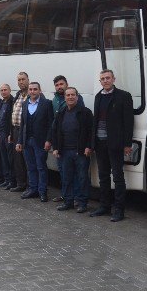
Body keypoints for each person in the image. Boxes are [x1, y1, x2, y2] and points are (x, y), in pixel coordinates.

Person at [90, 69, 133, 222]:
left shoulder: (124, 96)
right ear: (100, 81)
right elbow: (96, 122)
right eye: (102, 79)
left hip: (115, 144)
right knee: (103, 176)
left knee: (118, 177)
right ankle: (104, 206)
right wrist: (92, 143)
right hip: (100, 143)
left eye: (108, 78)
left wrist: (127, 144)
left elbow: (128, 122)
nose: (105, 81)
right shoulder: (98, 97)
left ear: (113, 79)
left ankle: (119, 210)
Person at [51, 87, 93, 213]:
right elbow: (56, 131)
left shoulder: (85, 112)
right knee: (66, 178)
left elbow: (91, 131)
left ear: (77, 96)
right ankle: (68, 202)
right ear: (64, 98)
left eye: (72, 95)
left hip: (80, 151)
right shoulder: (61, 113)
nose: (70, 97)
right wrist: (56, 148)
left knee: (82, 178)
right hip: (65, 152)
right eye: (68, 95)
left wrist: (89, 146)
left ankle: (82, 203)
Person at [16, 82, 53, 202]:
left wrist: (48, 140)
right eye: (30, 89)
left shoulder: (47, 104)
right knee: (30, 167)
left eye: (35, 89)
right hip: (27, 140)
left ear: (39, 90)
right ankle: (33, 189)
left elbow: (50, 124)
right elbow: (23, 124)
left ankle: (42, 192)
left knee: (41, 167)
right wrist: (20, 141)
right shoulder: (25, 103)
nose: (32, 91)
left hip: (41, 141)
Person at [50, 75, 84, 203]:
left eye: (61, 84)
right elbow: (54, 123)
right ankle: (66, 195)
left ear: (66, 84)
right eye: (57, 85)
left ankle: (76, 197)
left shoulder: (76, 99)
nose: (59, 87)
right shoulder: (55, 100)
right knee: (63, 172)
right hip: (60, 142)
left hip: (73, 144)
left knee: (74, 173)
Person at [9, 72, 30, 192]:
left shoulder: (30, 95)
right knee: (17, 159)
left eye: (23, 79)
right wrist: (11, 133)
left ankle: (29, 186)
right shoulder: (18, 95)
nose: (21, 82)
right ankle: (21, 183)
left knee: (26, 159)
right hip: (15, 129)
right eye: (19, 80)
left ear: (28, 80)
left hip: (25, 131)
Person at [0, 84, 15, 189]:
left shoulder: (12, 102)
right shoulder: (2, 102)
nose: (3, 92)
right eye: (2, 90)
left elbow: (12, 120)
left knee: (10, 159)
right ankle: (6, 179)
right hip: (2, 134)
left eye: (5, 90)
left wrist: (10, 134)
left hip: (8, 134)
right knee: (3, 158)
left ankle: (12, 181)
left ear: (9, 90)